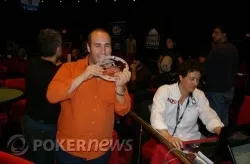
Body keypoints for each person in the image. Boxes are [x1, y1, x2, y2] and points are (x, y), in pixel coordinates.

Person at [46, 28, 131, 164]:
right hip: (70, 150)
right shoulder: (69, 68)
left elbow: (123, 110)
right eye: (97, 46)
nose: (103, 51)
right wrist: (82, 76)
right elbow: (51, 96)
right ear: (88, 47)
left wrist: (120, 87)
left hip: (100, 152)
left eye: (107, 46)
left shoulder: (115, 74)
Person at [150, 60, 223, 149]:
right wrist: (168, 137)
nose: (195, 83)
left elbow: (208, 114)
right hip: (168, 139)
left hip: (192, 141)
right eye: (192, 79)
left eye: (198, 80)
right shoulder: (164, 91)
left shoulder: (199, 94)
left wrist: (222, 133)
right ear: (181, 77)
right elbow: (156, 116)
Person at [22, 29, 62, 164]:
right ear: (58, 49)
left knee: (30, 158)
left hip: (28, 120)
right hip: (45, 127)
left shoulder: (30, 64)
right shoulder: (58, 73)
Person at [205, 25, 239, 126]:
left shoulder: (217, 49)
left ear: (224, 35)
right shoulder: (234, 48)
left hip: (217, 91)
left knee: (215, 122)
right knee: (224, 119)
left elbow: (205, 68)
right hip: (229, 90)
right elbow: (236, 67)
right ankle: (224, 140)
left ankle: (217, 141)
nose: (213, 35)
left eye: (216, 33)